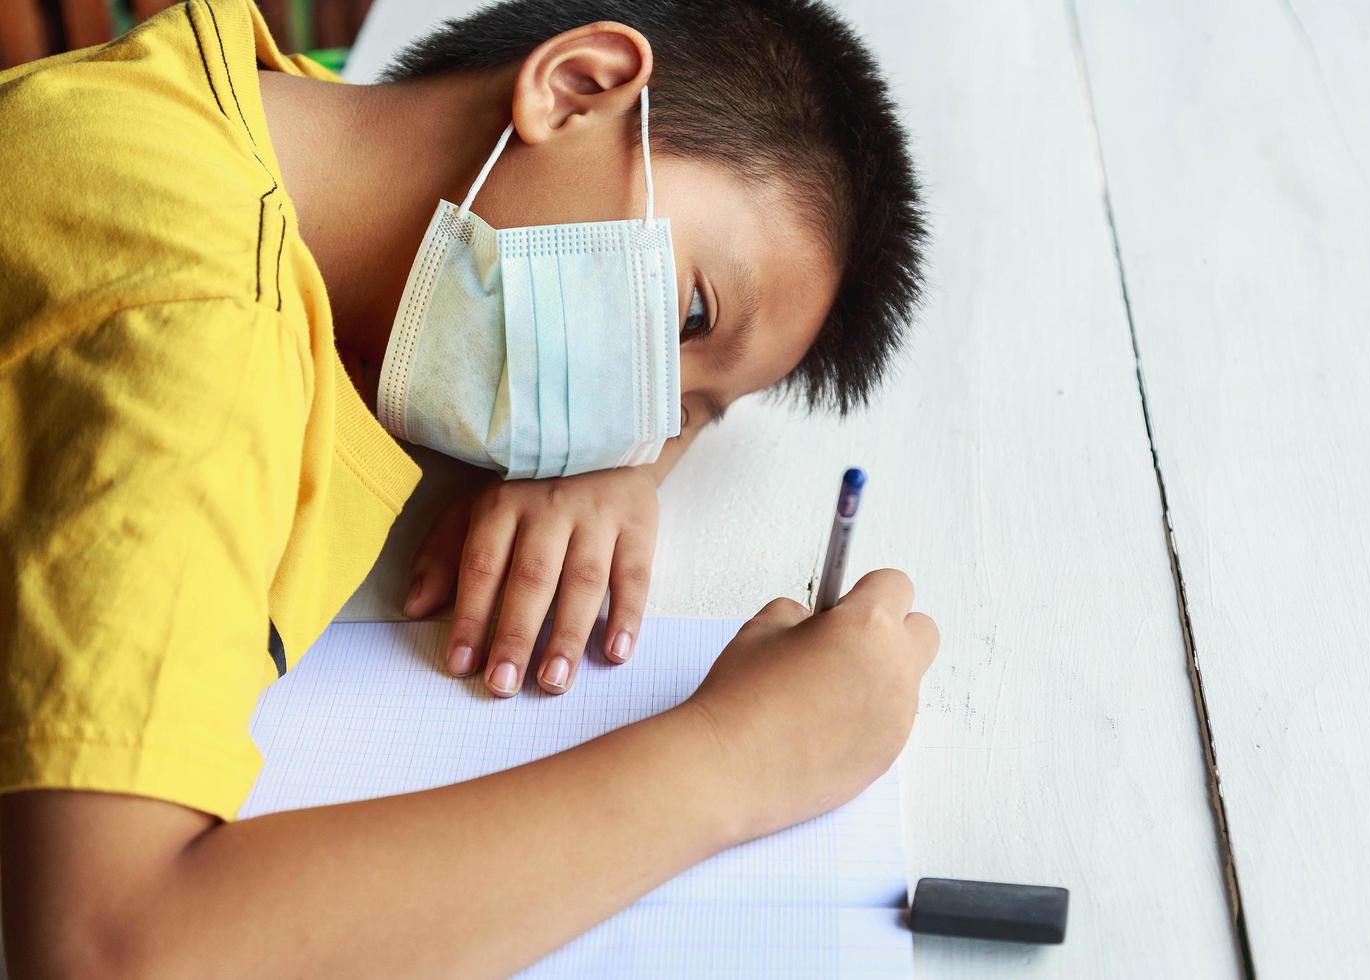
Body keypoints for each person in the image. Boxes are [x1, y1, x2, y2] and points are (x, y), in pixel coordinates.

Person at [0, 0, 938, 972]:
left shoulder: (261, 128)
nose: (646, 422)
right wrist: (739, 757)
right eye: (691, 312)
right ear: (576, 87)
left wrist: (611, 467)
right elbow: (109, 946)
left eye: (692, 410)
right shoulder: (193, 339)